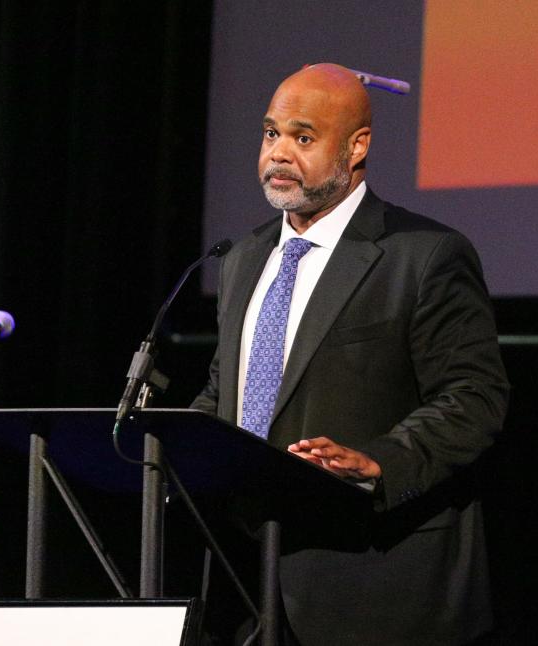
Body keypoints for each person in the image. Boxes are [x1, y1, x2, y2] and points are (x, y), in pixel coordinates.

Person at [191, 63, 509, 646]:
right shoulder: (242, 259)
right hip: (246, 587)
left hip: (374, 585)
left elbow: (473, 397)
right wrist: (181, 445)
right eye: (270, 134)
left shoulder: (423, 255)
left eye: (303, 137)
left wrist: (380, 462)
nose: (279, 153)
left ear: (357, 146)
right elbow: (227, 391)